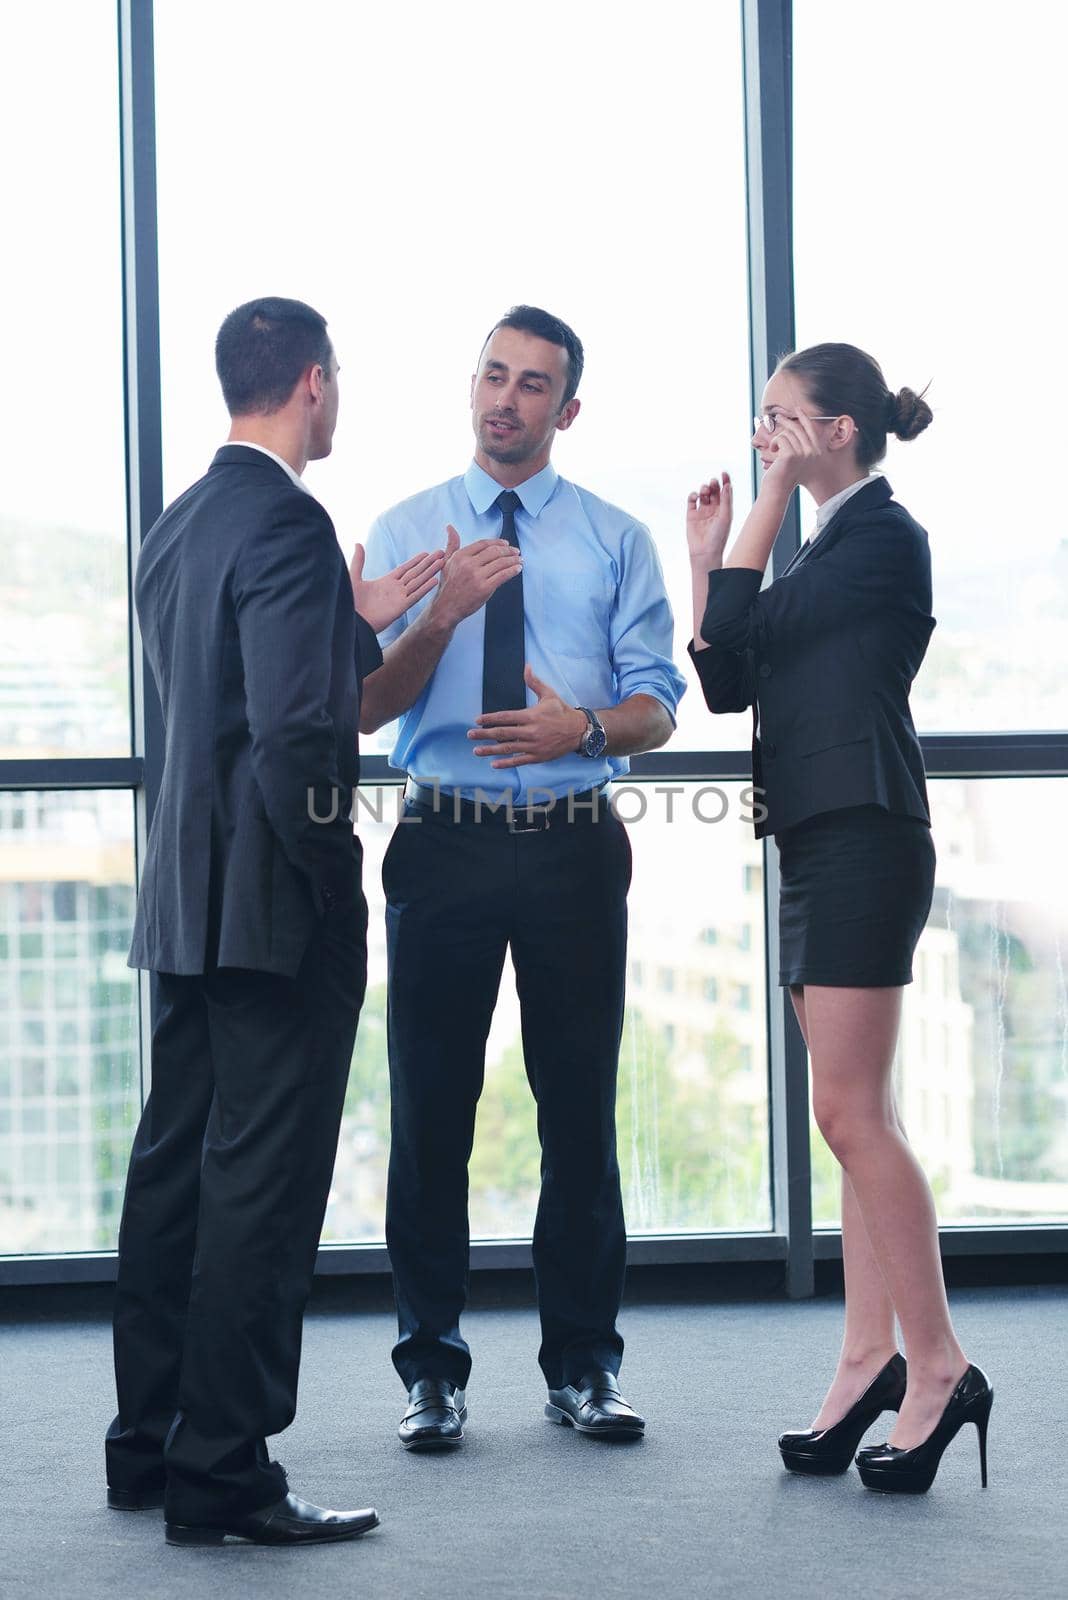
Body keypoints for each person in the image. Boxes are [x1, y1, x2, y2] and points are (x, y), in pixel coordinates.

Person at [106, 297, 441, 1546]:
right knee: (261, 1186)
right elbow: (305, 730)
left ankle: (148, 1447)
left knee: (175, 1172)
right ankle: (230, 1472)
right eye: (338, 377)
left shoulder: (180, 522)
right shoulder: (293, 522)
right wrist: (326, 875)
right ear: (311, 382)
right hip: (273, 905)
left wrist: (350, 621)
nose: (338, 395)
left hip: (184, 900)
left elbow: (232, 698)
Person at [360, 304, 687, 1450]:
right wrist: (438, 614)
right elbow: (358, 704)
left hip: (570, 847)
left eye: (533, 384)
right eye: (493, 375)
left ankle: (585, 1366)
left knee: (579, 1111)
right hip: (441, 841)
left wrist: (583, 730)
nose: (506, 398)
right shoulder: (405, 528)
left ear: (568, 408)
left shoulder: (614, 539)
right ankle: (430, 1370)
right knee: (431, 1113)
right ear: (473, 386)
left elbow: (657, 704)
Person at [685, 342, 992, 1495]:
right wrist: (711, 559)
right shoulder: (820, 546)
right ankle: (869, 1357)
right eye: (761, 421)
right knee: (853, 1116)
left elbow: (758, 627)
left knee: (853, 1113)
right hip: (816, 840)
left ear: (840, 431)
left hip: (866, 834)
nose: (764, 437)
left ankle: (939, 1365)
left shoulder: (881, 538)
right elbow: (727, 680)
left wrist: (758, 513)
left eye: (780, 420)